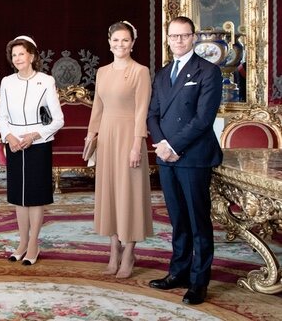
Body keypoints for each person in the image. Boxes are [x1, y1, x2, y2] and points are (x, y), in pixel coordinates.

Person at [146, 16, 223, 305]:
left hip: (193, 157)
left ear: (193, 37)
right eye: (174, 36)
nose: (179, 41)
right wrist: (162, 145)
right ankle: (178, 272)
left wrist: (174, 145)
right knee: (178, 220)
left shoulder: (208, 71)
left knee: (198, 221)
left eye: (184, 36)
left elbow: (204, 119)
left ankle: (199, 281)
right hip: (166, 157)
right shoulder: (163, 74)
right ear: (167, 39)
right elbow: (152, 114)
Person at [85, 21, 153, 279]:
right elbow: (97, 107)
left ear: (132, 43)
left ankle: (129, 253)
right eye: (116, 40)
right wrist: (91, 135)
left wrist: (137, 144)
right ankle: (114, 250)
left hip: (129, 137)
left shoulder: (140, 71)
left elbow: (141, 111)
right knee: (111, 194)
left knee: (130, 194)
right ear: (109, 42)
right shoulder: (102, 72)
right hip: (107, 136)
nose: (120, 44)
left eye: (125, 40)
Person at [0, 36, 63, 265]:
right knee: (19, 198)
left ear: (32, 56)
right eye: (14, 55)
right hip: (14, 144)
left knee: (35, 197)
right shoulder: (6, 82)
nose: (17, 59)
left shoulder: (46, 81)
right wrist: (9, 137)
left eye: (21, 54)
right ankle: (22, 242)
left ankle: (34, 243)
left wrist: (34, 136)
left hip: (38, 145)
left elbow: (58, 120)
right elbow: (1, 116)